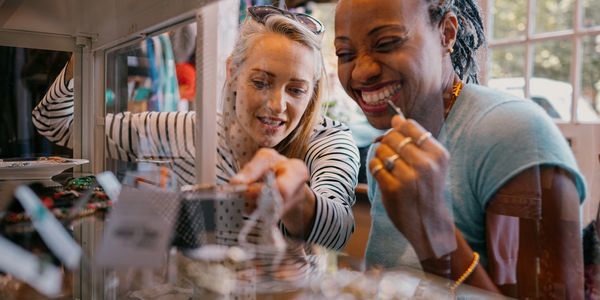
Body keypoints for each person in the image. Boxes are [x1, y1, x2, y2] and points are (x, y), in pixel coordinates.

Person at [33, 6, 360, 252]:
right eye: (261, 82)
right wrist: (84, 52)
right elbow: (55, 124)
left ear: (313, 91)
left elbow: (339, 231)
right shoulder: (186, 129)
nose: (276, 104)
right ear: (233, 72)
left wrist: (295, 198)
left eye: (296, 90)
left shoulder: (330, 141)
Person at [334, 0, 586, 298]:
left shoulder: (515, 134)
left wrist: (430, 227)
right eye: (345, 54)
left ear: (447, 33)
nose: (362, 72)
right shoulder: (387, 152)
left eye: (387, 43)